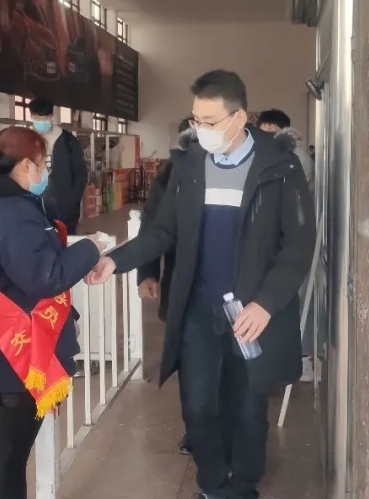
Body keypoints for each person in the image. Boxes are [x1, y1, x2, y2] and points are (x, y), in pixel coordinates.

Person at [87, 70, 316, 499]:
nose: (201, 130)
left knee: (247, 409)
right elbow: (163, 230)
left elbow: (299, 245)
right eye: (196, 120)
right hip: (197, 309)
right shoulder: (190, 165)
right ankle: (212, 485)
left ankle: (242, 488)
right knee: (198, 407)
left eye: (210, 121)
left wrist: (266, 303)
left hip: (251, 316)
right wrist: (116, 260)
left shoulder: (279, 167)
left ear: (239, 117)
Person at [0, 126, 109, 499]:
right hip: (21, 347)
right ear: (26, 165)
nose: (46, 172)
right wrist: (91, 248)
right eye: (44, 164)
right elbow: (45, 277)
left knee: (8, 448)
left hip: (0, 340)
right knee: (10, 453)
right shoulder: (15, 215)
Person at [136, 117, 195, 455]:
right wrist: (147, 272)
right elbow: (151, 226)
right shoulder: (171, 173)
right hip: (182, 284)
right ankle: (195, 428)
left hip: (232, 291)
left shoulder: (241, 170)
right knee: (190, 361)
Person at [256, 108, 318, 383]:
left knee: (289, 299)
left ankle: (300, 359)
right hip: (269, 242)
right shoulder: (263, 157)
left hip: (289, 242)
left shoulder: (295, 160)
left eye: (272, 133)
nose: (267, 138)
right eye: (263, 132)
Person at [27, 98, 88, 234]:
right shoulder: (27, 140)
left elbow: (81, 173)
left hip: (64, 207)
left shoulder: (68, 141)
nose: (40, 122)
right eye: (37, 118)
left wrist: (72, 200)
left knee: (64, 241)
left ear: (51, 117)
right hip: (35, 205)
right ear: (31, 117)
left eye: (44, 118)